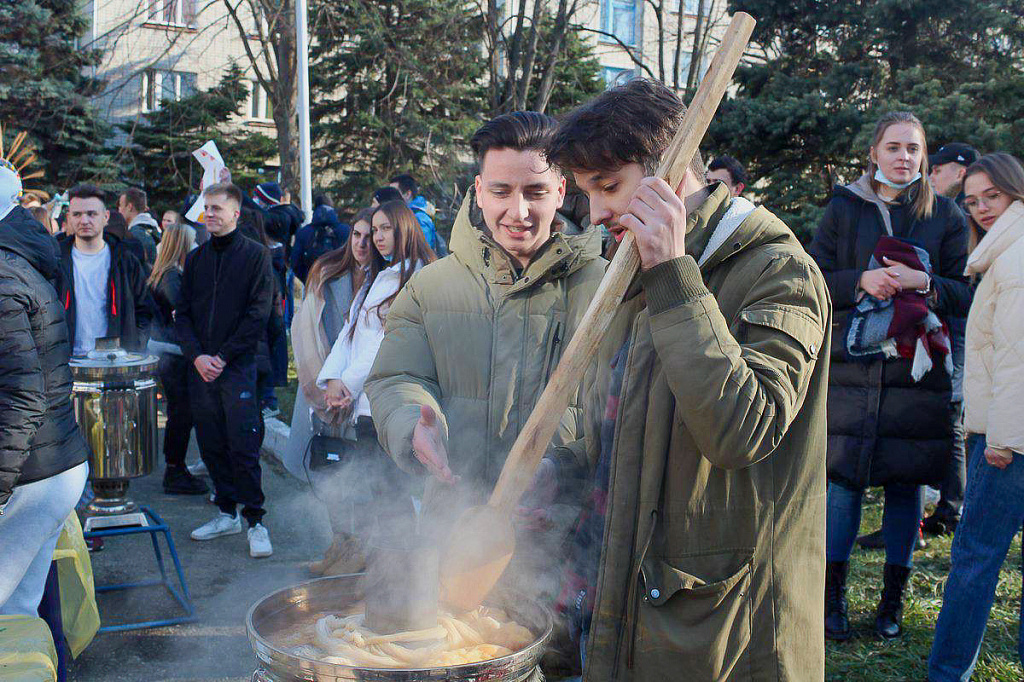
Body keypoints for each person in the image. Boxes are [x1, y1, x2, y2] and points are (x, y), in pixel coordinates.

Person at [539, 77, 831, 680]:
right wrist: (549, 475)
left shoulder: (779, 272)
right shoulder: (628, 275)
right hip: (628, 590)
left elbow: (741, 432)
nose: (595, 215)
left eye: (608, 187)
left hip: (725, 628)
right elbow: (616, 425)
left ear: (672, 175)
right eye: (588, 193)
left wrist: (674, 275)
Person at [366, 112, 608, 604]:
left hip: (569, 546)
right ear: (477, 192)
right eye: (501, 192)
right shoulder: (431, 288)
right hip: (453, 540)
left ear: (562, 191)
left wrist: (562, 469)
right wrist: (413, 423)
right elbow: (395, 377)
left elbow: (623, 413)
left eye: (535, 192)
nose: (518, 211)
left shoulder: (608, 290)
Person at [808, 111, 972, 641]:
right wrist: (862, 279)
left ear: (924, 157)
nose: (905, 157)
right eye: (895, 147)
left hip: (917, 371)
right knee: (843, 486)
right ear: (874, 153)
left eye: (914, 149)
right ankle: (830, 600)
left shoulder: (945, 214)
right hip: (853, 369)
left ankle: (891, 603)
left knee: (907, 484)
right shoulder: (844, 206)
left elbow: (965, 291)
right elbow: (812, 276)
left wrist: (925, 281)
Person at [927, 152, 1024, 681]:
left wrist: (1001, 441)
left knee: (973, 562)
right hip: (1009, 433)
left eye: (994, 196)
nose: (983, 208)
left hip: (1008, 442)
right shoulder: (1004, 250)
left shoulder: (1015, 258)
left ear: (1016, 192)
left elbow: (1017, 358)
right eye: (973, 201)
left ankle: (946, 674)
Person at [314, 201, 433, 561]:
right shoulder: (377, 276)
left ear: (404, 230)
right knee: (379, 492)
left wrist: (346, 385)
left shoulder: (416, 277)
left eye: (385, 229)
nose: (378, 238)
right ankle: (385, 571)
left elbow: (386, 343)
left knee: (391, 492)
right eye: (373, 230)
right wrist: (333, 380)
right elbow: (348, 335)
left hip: (391, 404)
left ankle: (400, 572)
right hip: (364, 403)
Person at [0, 163, 90, 616]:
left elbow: (22, 394)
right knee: (17, 615)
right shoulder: (16, 260)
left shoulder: (3, 275)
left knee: (11, 612)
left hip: (34, 474)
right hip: (44, 466)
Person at [175, 183, 275, 558]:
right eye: (207, 208)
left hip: (237, 368)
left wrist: (223, 357)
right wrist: (197, 356)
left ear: (236, 212)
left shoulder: (255, 257)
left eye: (217, 208)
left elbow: (258, 314)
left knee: (243, 444)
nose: (210, 214)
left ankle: (255, 521)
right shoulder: (196, 259)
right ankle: (225, 511)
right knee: (211, 441)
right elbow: (182, 314)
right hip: (201, 370)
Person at [285, 209, 376, 574]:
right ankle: (340, 547)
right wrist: (324, 386)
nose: (362, 244)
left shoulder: (385, 280)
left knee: (364, 476)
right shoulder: (327, 272)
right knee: (329, 468)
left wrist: (351, 387)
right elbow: (305, 332)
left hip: (363, 393)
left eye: (370, 236)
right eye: (356, 235)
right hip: (325, 387)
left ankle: (364, 557)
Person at [146, 224, 208, 495]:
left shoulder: (170, 274)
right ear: (182, 245)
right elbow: (184, 313)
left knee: (181, 413)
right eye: (192, 242)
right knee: (181, 414)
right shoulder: (171, 277)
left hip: (171, 352)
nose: (196, 248)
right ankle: (174, 470)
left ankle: (176, 468)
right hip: (172, 353)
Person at [58, 185, 152, 354]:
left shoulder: (125, 260)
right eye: (77, 214)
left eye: (92, 214)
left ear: (105, 217)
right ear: (69, 218)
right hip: (68, 362)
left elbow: (144, 309)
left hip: (115, 361)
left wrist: (135, 346)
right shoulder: (56, 260)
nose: (84, 220)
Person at [290, 199, 350, 284]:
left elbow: (295, 262)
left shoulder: (303, 232)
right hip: (341, 282)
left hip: (313, 281)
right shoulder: (346, 230)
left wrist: (307, 279)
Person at [389, 173, 444, 254]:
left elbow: (422, 253)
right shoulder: (403, 214)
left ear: (408, 194)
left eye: (393, 193)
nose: (390, 198)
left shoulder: (419, 218)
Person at [118, 188, 159, 266]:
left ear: (129, 207)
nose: (119, 210)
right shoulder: (153, 229)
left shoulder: (134, 235)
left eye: (120, 205)